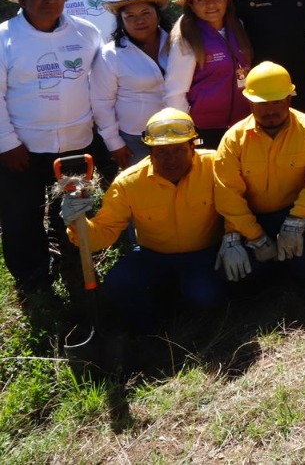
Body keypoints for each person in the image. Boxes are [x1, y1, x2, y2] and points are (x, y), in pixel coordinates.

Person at [61, 109, 224, 333]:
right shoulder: (129, 183)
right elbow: (103, 234)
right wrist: (76, 223)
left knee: (205, 296)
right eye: (162, 152)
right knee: (119, 282)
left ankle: (196, 324)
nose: (171, 159)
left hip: (204, 255)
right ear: (150, 152)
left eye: (179, 150)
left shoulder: (216, 165)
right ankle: (149, 334)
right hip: (153, 255)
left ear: (192, 147)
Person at [0, 0, 102, 298]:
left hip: (76, 142)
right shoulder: (4, 38)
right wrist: (6, 143)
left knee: (73, 210)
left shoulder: (86, 32)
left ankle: (74, 259)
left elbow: (100, 82)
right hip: (21, 148)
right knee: (21, 216)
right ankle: (33, 279)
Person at [212, 62, 305, 280]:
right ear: (250, 103)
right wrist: (255, 237)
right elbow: (228, 196)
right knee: (245, 280)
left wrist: (295, 221)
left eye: (277, 102)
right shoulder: (233, 140)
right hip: (255, 219)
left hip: (299, 213)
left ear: (289, 100)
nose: (270, 110)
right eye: (262, 104)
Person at [164, 0, 253, 147]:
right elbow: (175, 92)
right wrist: (183, 131)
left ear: (226, 0)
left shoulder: (238, 27)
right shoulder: (186, 38)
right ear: (191, 5)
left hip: (242, 122)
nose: (210, 4)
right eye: (201, 0)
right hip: (204, 128)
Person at [91, 0, 172, 170]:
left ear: (158, 15)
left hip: (178, 130)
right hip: (136, 139)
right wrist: (114, 143)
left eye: (146, 13)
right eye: (130, 16)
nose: (139, 21)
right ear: (121, 21)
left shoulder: (178, 44)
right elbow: (101, 103)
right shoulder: (110, 55)